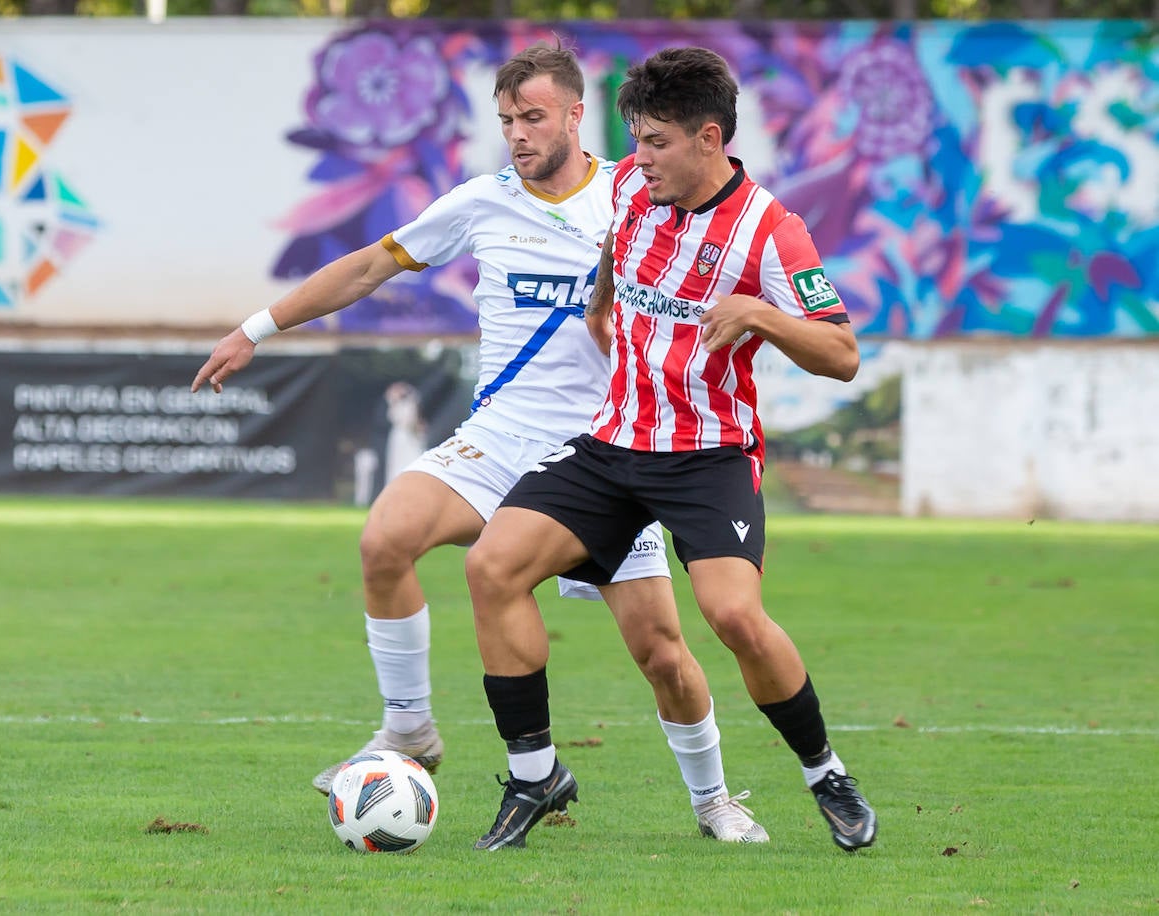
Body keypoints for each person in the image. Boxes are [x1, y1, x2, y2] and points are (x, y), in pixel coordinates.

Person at [191, 43, 768, 846]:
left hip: (607, 452)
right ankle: (409, 730)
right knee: (386, 537)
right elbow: (366, 269)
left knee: (662, 654)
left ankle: (713, 801)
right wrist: (255, 329)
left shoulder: (641, 196)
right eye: (505, 121)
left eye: (532, 117)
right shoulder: (481, 203)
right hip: (498, 440)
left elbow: (724, 254)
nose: (518, 135)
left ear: (575, 115)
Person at [462, 46, 878, 853]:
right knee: (491, 566)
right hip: (613, 445)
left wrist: (761, 316)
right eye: (636, 139)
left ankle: (825, 774)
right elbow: (614, 251)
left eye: (654, 141)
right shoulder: (626, 188)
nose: (636, 157)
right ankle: (535, 774)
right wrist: (600, 305)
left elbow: (843, 354)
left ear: (708, 137)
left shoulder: (771, 230)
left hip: (707, 456)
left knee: (733, 618)